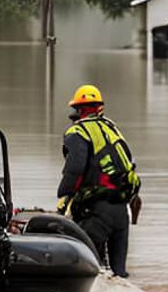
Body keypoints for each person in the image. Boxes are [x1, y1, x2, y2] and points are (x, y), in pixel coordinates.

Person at [56, 84, 141, 278]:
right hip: (121, 212)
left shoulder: (77, 132)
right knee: (119, 274)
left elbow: (75, 169)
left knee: (90, 268)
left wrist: (64, 196)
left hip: (96, 211)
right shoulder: (113, 130)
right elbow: (129, 166)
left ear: (78, 110)